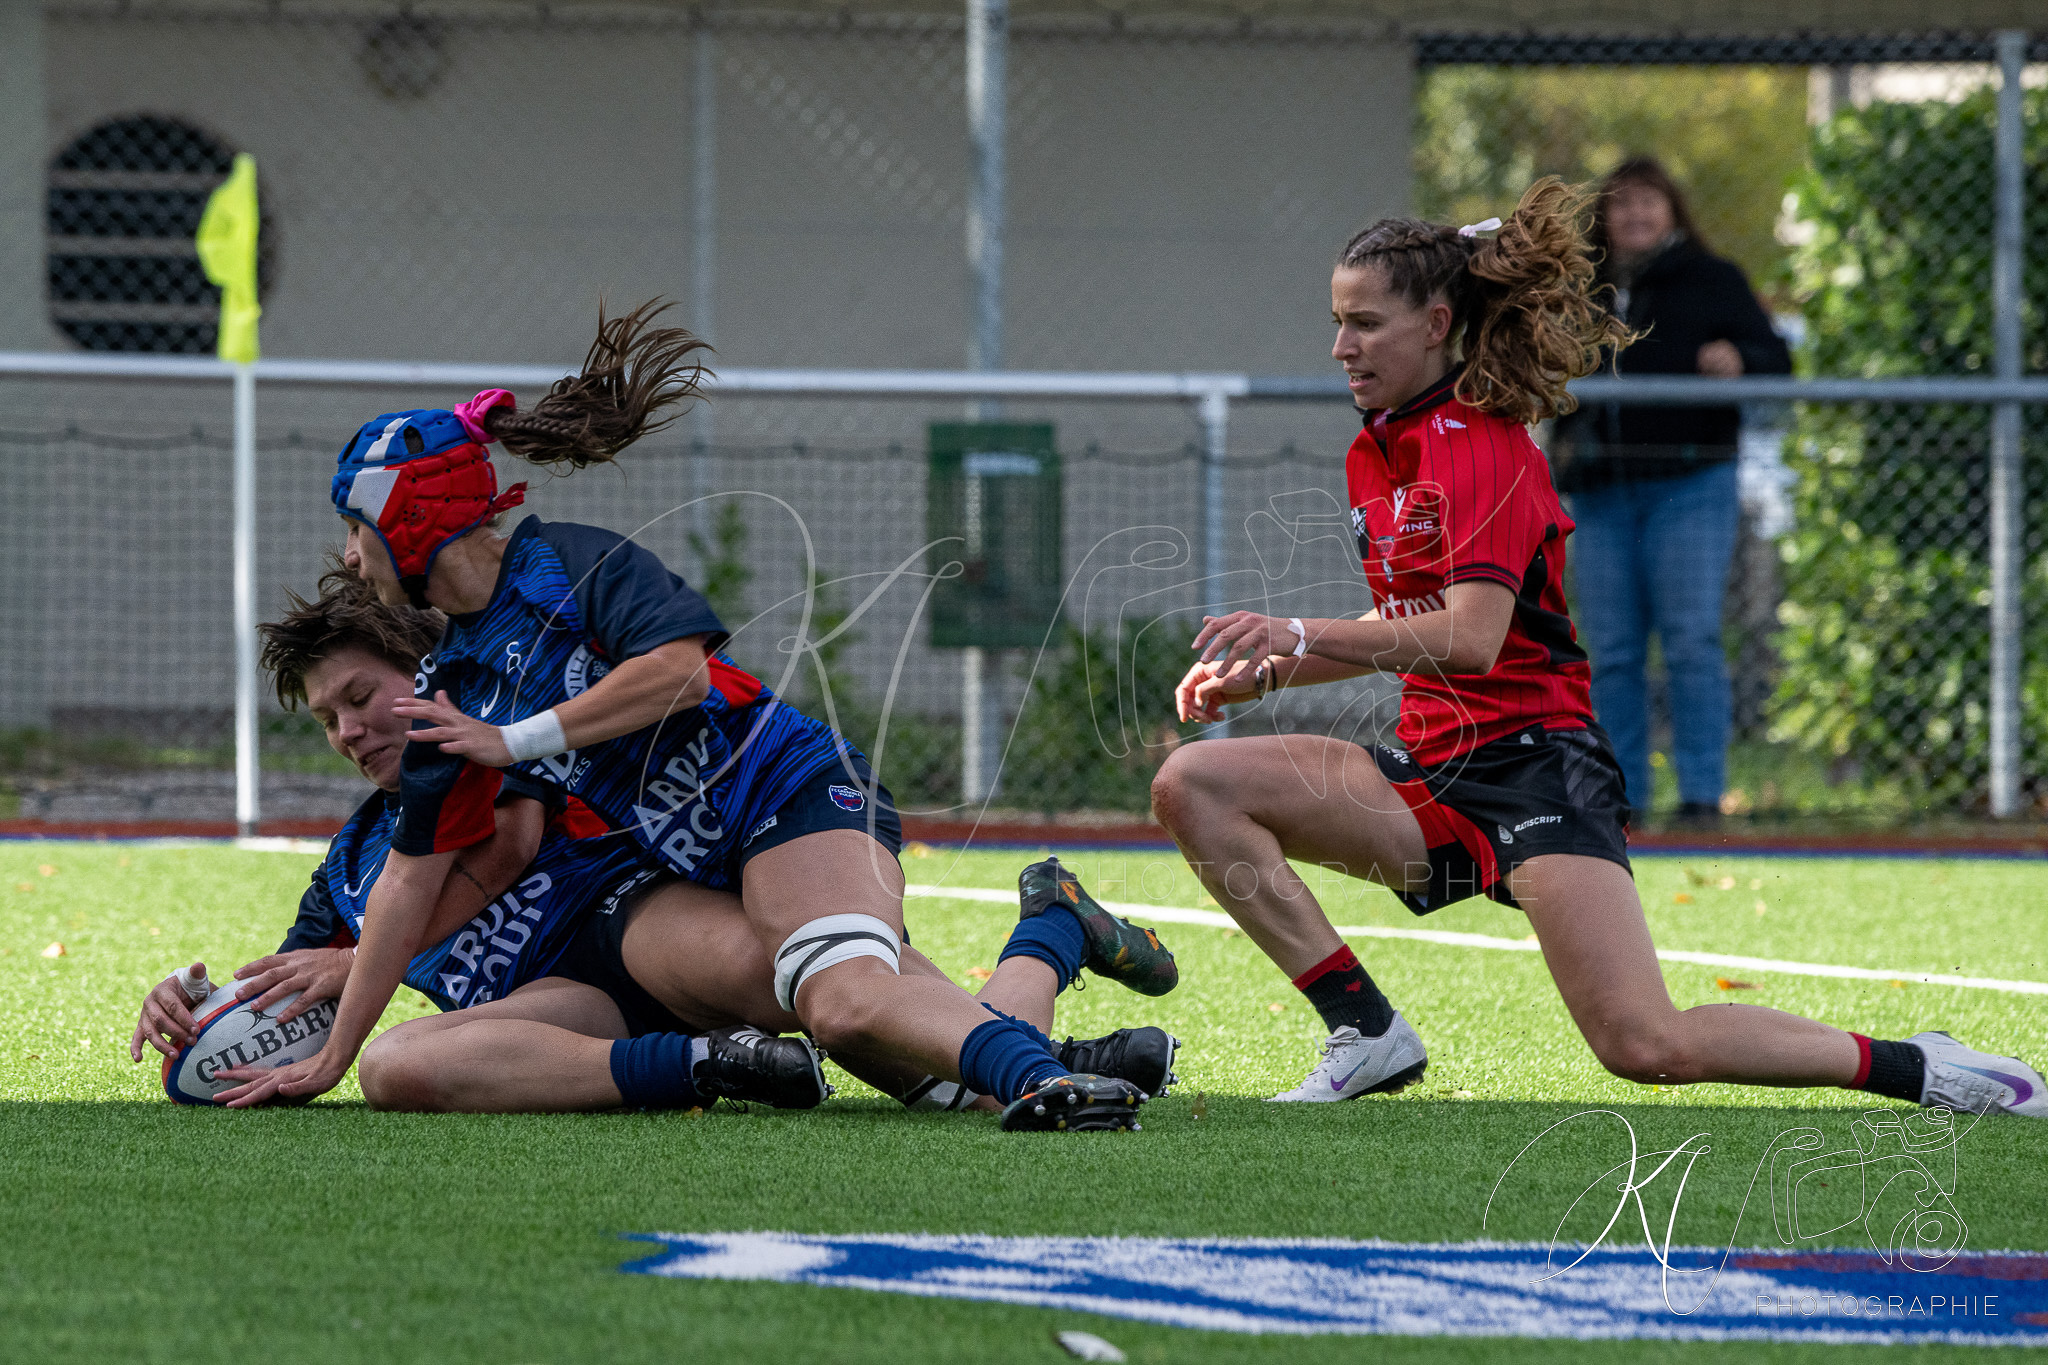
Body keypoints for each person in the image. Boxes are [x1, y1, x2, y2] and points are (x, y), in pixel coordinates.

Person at [1148, 178, 2046, 1121]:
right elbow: (1405, 631)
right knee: (1194, 787)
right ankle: (1364, 1031)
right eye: (1337, 323)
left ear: (1437, 323)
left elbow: (1471, 639)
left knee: (1644, 1044)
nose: (1341, 347)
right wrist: (1269, 673)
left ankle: (1925, 1067)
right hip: (1427, 776)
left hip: (1536, 768)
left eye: (1365, 324)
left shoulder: (1482, 444)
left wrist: (1295, 631)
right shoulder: (1377, 446)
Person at [225, 303, 1179, 1132]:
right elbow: (407, 882)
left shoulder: (568, 562)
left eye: (357, 530)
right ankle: (1050, 935)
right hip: (698, 860)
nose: (351, 559)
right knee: (922, 1065)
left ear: (408, 518)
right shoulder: (447, 680)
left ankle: (1045, 1078)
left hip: (788, 788)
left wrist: (515, 741)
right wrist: (335, 1057)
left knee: (843, 1002)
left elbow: (679, 674)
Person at [131, 574, 1178, 1114]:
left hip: (638, 928)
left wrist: (365, 957)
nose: (349, 730)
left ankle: (1043, 958)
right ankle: (715, 1065)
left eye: (361, 697)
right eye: (326, 720)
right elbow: (290, 998)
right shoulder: (346, 863)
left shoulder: (491, 747)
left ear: (424, 676)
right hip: (558, 1014)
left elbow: (497, 851)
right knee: (396, 1065)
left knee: (871, 1021)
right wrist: (196, 1013)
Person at [1549, 156, 1793, 825]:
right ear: (1602, 217)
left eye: (1649, 201)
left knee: (1690, 639)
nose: (1636, 214)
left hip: (1691, 482)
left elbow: (1776, 361)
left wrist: (1741, 362)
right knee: (1614, 649)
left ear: (1673, 210)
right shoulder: (1577, 287)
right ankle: (1619, 797)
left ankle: (1702, 797)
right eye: (1622, 203)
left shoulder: (1713, 280)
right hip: (1600, 490)